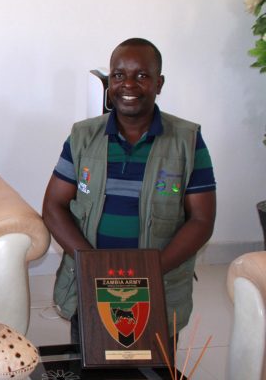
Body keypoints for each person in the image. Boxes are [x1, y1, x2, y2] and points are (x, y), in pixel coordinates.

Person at [42, 38, 216, 343]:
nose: (128, 84)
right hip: (89, 283)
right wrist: (92, 264)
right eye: (119, 75)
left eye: (142, 75)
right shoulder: (83, 136)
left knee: (152, 362)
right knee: (90, 358)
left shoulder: (187, 141)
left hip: (159, 284)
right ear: (109, 83)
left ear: (159, 84)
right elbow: (53, 206)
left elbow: (201, 220)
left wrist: (150, 271)